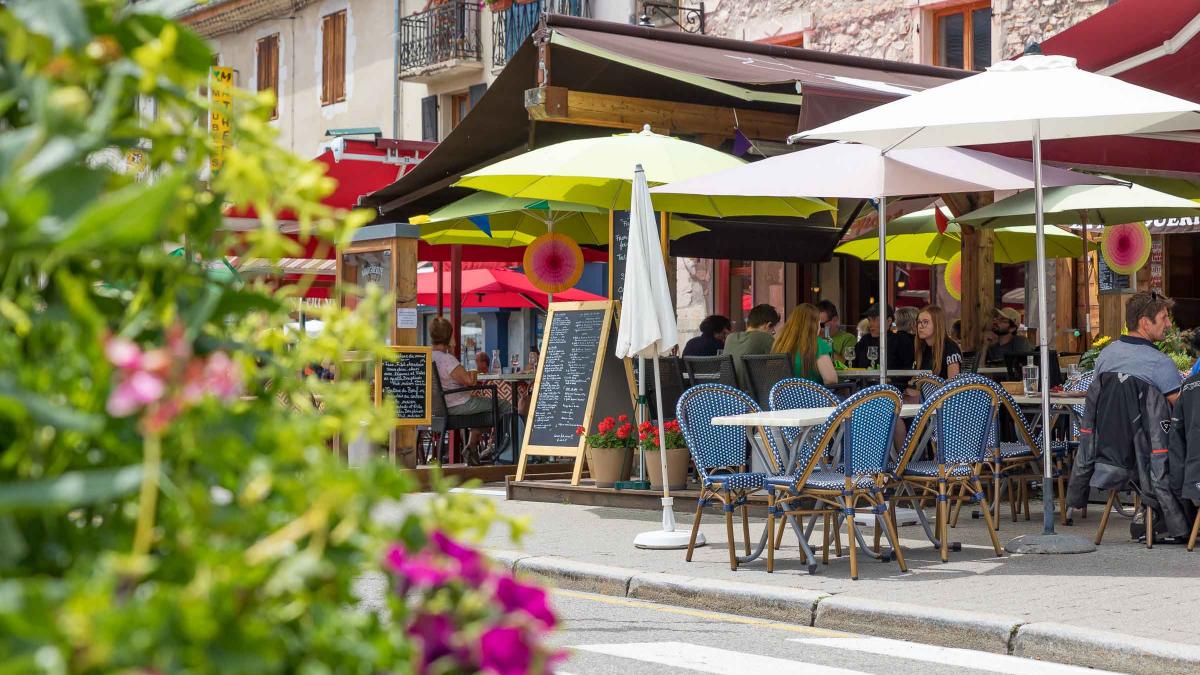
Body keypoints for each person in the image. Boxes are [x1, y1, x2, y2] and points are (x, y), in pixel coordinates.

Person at [429, 317, 511, 464]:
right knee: (504, 405)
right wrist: (471, 352)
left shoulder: (428, 356)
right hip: (458, 405)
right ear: (449, 336)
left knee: (486, 410)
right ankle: (506, 451)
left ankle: (471, 447)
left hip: (439, 408)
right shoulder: (447, 359)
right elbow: (470, 381)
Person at [1095, 291, 1182, 404]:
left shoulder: (1105, 355)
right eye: (1164, 318)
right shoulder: (1160, 363)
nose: (1169, 324)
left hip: (1106, 422)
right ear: (1145, 323)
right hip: (1148, 422)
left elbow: (1094, 398)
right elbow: (1181, 411)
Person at [772, 303, 838, 386]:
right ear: (814, 325)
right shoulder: (817, 343)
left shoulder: (780, 342)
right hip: (811, 397)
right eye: (819, 323)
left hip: (782, 397)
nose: (820, 328)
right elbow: (831, 380)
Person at [722, 303, 780, 388]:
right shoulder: (765, 337)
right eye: (773, 328)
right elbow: (778, 366)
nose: (773, 332)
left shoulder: (730, 338)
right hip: (752, 395)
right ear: (767, 325)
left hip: (729, 393)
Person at [909, 305, 961, 390]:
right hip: (924, 396)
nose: (920, 326)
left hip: (942, 399)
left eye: (925, 322)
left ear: (937, 324)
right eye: (919, 322)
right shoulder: (923, 347)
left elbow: (953, 384)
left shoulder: (950, 348)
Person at [853, 303, 897, 369]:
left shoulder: (898, 341)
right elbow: (850, 364)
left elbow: (906, 369)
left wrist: (892, 379)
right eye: (869, 320)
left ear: (888, 321)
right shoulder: (865, 340)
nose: (870, 324)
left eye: (874, 320)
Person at [817, 300, 857, 365]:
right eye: (815, 324)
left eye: (821, 325)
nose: (818, 328)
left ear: (835, 320)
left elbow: (848, 364)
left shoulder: (848, 339)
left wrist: (823, 347)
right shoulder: (812, 338)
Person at [892, 307, 918, 376]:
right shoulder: (912, 341)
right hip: (904, 382)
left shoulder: (891, 338)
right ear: (912, 324)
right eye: (919, 322)